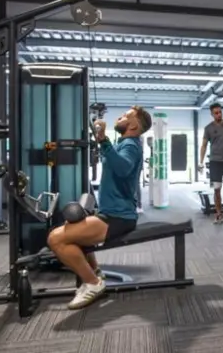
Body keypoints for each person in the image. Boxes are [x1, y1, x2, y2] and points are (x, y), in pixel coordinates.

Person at [47, 106, 151, 310]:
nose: (120, 117)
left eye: (125, 116)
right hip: (111, 213)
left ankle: (94, 284)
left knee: (56, 239)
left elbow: (122, 169)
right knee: (70, 232)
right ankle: (95, 272)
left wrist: (103, 139)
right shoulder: (125, 143)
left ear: (134, 125)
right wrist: (104, 143)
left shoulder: (130, 144)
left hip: (118, 217)